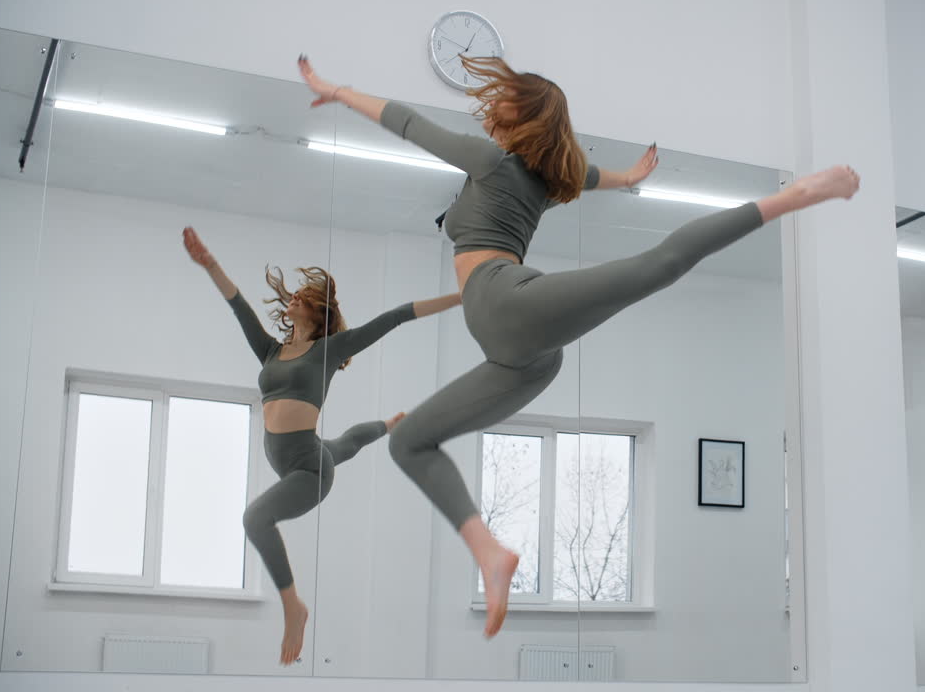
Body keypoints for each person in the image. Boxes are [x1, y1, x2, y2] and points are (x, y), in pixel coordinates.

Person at [297, 54, 860, 638]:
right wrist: (628, 178)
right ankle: (490, 554)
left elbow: (409, 122)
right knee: (409, 442)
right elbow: (587, 175)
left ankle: (799, 195)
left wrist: (338, 91)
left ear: (518, 119)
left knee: (657, 265)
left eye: (500, 106)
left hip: (506, 305)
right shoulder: (545, 178)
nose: (488, 113)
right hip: (520, 354)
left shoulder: (491, 161)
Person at [182, 226, 461, 664]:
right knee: (346, 443)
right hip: (303, 455)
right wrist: (209, 262)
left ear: (319, 311)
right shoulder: (271, 352)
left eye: (303, 296)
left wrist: (460, 297)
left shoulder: (330, 349)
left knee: (256, 518)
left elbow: (395, 317)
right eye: (293, 294)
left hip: (308, 471)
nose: (292, 297)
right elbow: (239, 306)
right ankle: (389, 424)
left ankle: (294, 606)